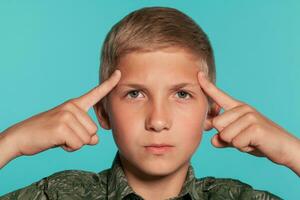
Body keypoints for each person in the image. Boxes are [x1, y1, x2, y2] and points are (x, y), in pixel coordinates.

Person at [0, 6, 299, 200]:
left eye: (182, 94)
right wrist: (12, 142)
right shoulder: (57, 196)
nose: (158, 121)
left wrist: (291, 152)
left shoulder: (239, 198)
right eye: (135, 94)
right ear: (104, 112)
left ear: (211, 110)